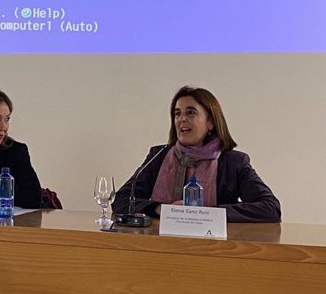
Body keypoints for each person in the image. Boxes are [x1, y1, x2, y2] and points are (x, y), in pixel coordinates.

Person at [112, 86, 281, 223]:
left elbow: (271, 208)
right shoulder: (159, 155)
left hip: (215, 249)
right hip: (160, 244)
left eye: (190, 112)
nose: (181, 119)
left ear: (211, 122)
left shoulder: (233, 162)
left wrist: (205, 214)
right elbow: (121, 200)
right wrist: (162, 209)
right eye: (177, 114)